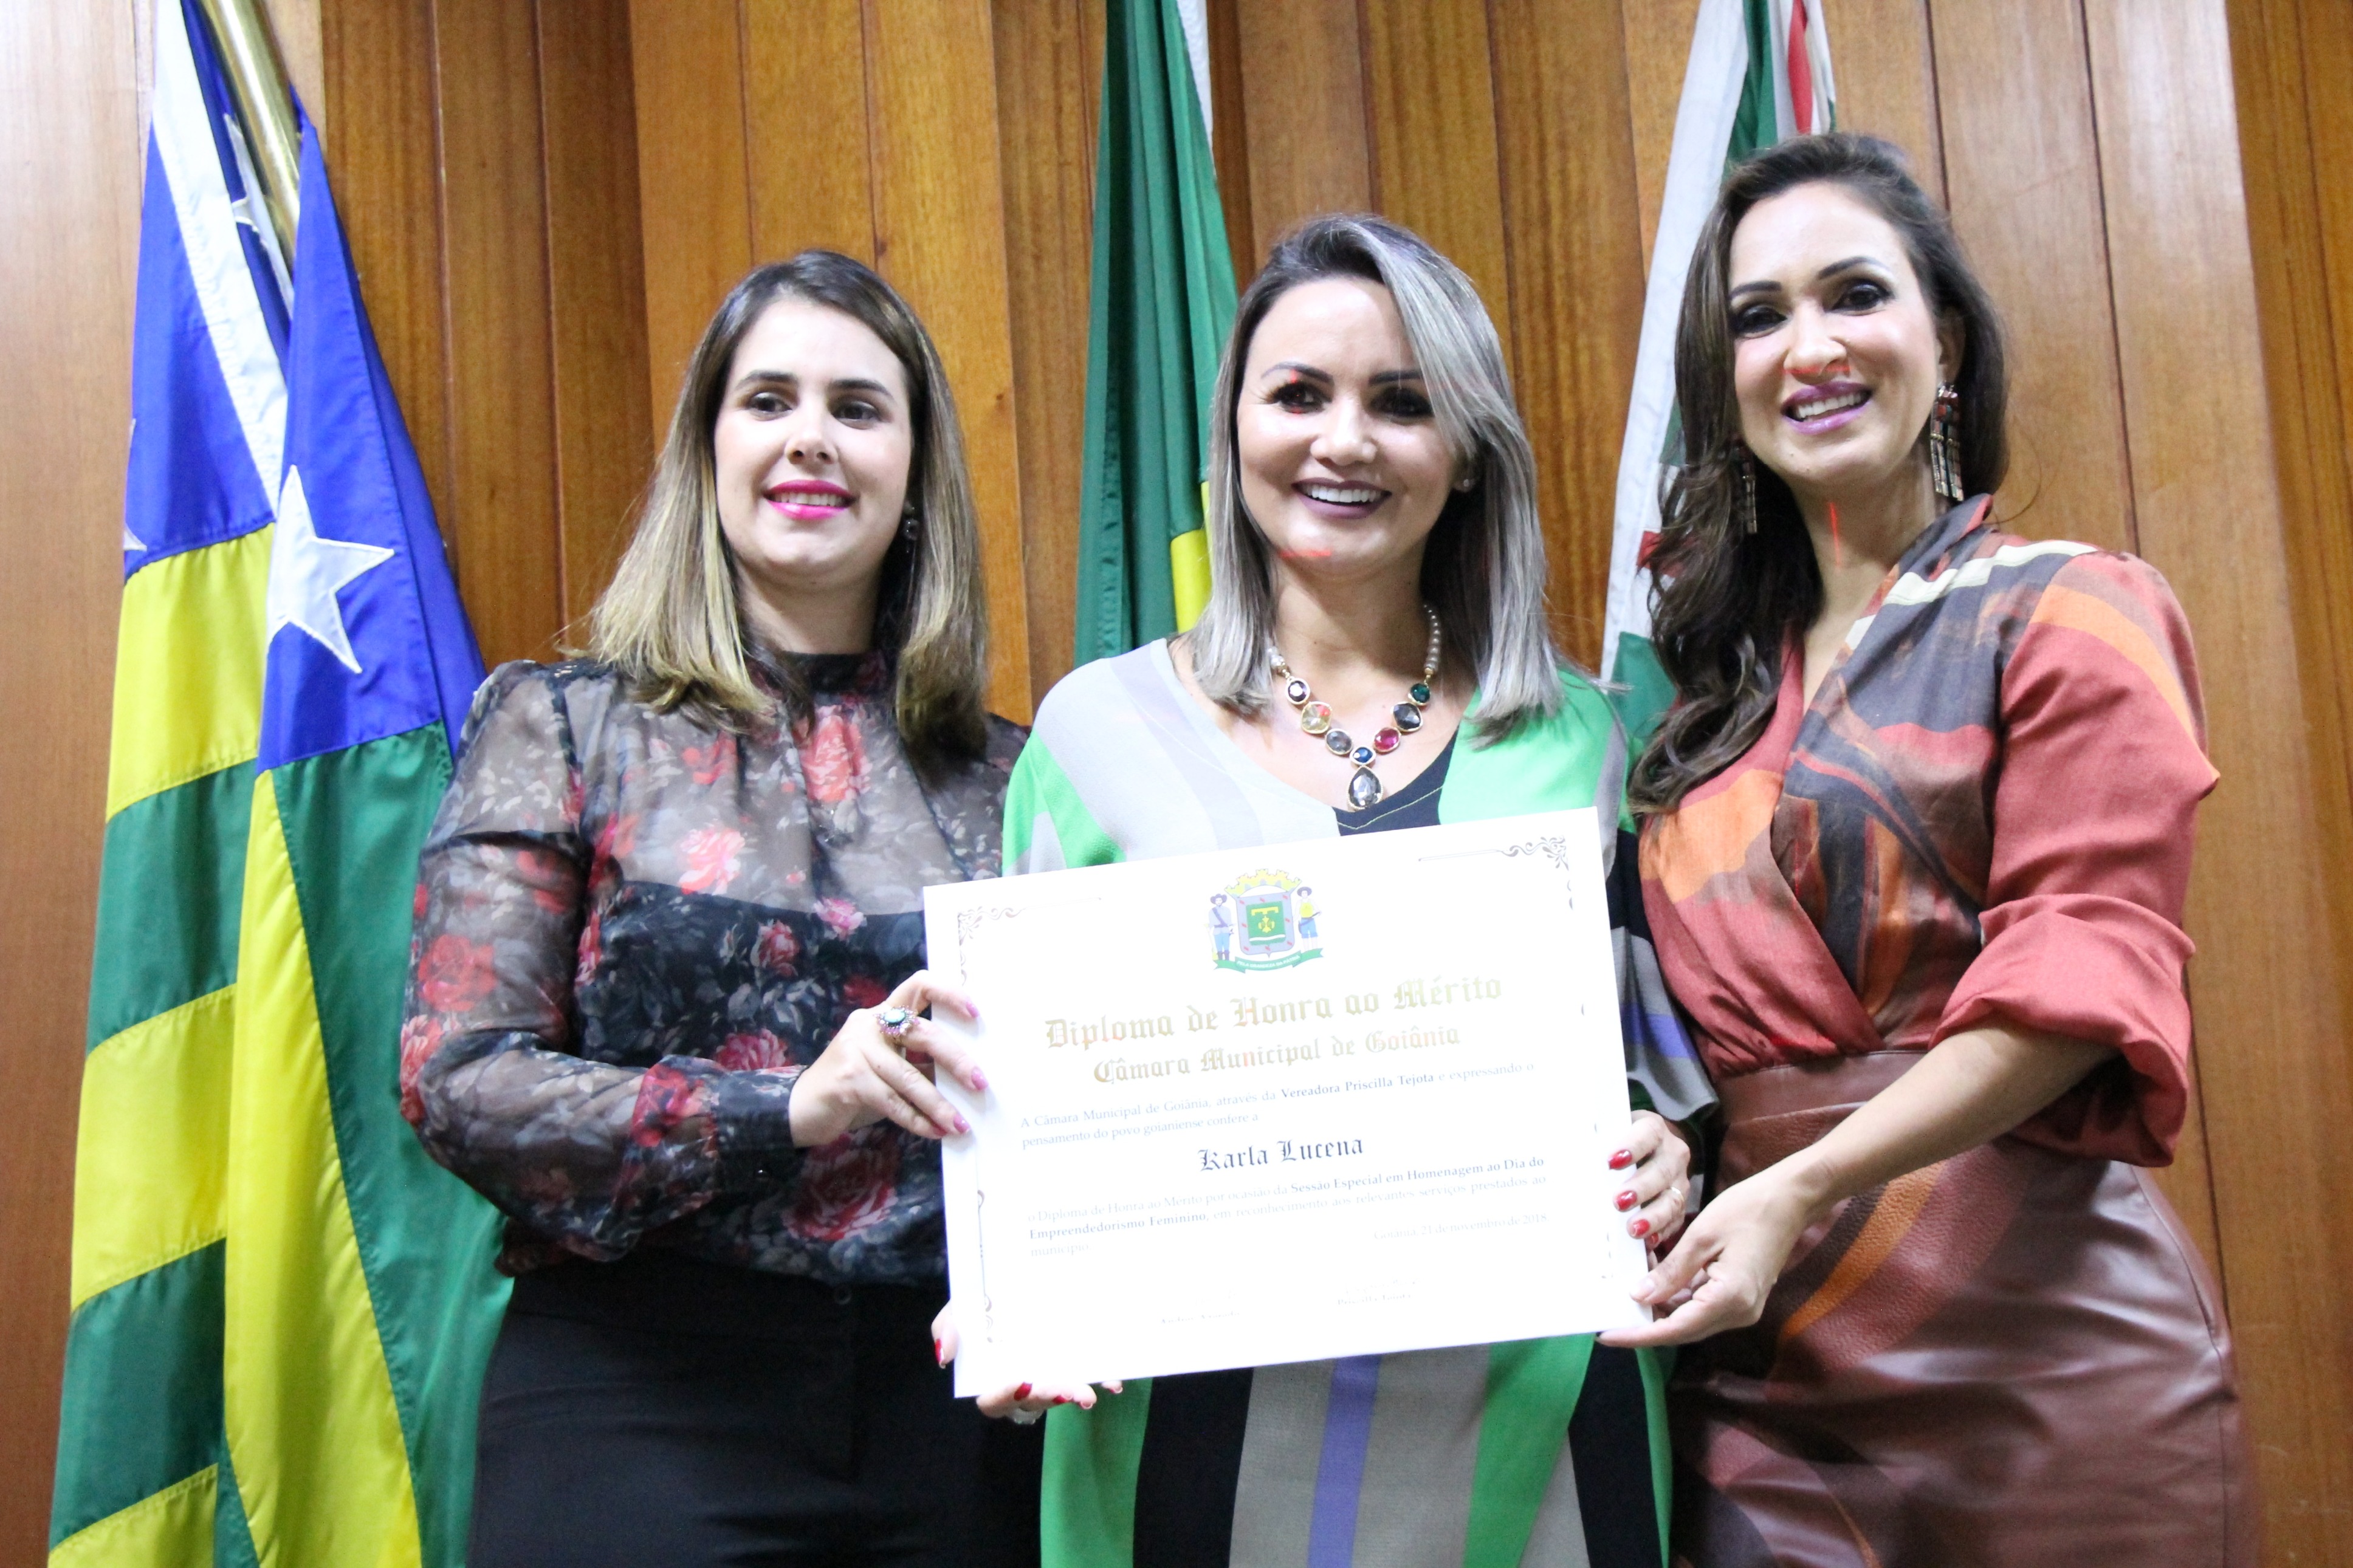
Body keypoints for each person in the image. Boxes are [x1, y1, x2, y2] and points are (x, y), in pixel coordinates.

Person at [943, 214, 1716, 1567]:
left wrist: (1668, 1159)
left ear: (1466, 449)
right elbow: (1021, 1123)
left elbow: (1658, 1077)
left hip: (1533, 1436)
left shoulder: (1583, 741)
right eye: (1297, 394)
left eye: (1401, 403)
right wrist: (1012, 1295)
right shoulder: (1094, 736)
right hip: (1188, 1454)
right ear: (1233, 431)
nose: (1342, 441)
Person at [1609, 133, 2253, 1566]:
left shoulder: (2072, 608)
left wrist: (1793, 1186)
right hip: (1760, 1369)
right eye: (1759, 316)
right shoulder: (1700, 714)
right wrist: (1677, 1148)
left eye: (1854, 294)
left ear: (1944, 339)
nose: (1809, 347)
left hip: (2052, 1370)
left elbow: (2077, 990)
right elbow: (1674, 1049)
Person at [400, 252, 1039, 1566]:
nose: (811, 438)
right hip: (635, 1390)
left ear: (916, 471)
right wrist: (787, 1107)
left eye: (858, 408)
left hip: (955, 1405)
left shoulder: (1019, 776)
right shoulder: (561, 725)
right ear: (708, 451)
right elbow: (459, 1081)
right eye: (768, 400)